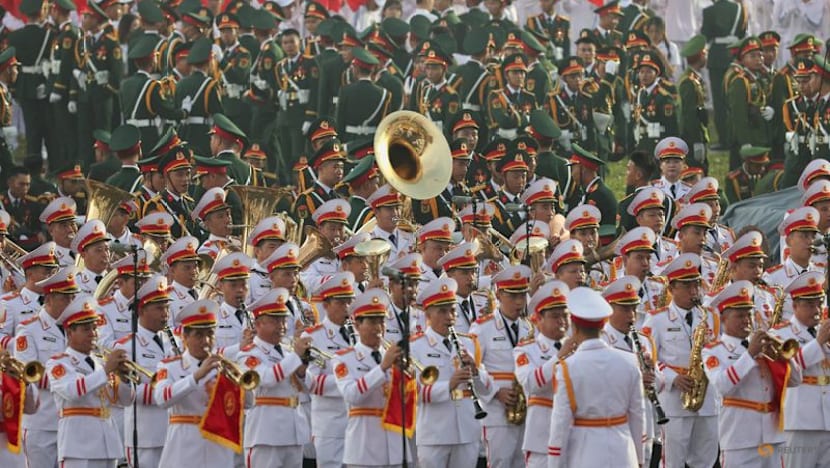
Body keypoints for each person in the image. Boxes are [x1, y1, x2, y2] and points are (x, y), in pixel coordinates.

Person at [702, 281, 801, 468]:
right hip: (739, 438)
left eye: (748, 314)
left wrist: (784, 358)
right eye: (740, 316)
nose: (746, 320)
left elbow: (796, 380)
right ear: (723, 319)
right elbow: (722, 386)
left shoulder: (764, 344)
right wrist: (749, 354)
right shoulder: (714, 351)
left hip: (772, 436)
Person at [547, 287, 645, 467]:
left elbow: (560, 425)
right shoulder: (630, 362)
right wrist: (639, 459)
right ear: (603, 325)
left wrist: (555, 464)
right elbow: (637, 416)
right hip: (623, 452)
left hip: (585, 454)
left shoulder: (567, 367)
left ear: (574, 327)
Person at [641, 253, 720, 468]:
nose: (693, 291)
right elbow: (647, 357)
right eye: (686, 286)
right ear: (672, 288)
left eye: (696, 285)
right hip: (675, 400)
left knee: (706, 459)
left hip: (707, 398)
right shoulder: (657, 319)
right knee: (673, 461)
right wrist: (672, 377)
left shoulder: (711, 316)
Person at [46, 294, 134, 468]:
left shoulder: (100, 363)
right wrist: (107, 370)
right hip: (79, 445)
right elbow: (72, 391)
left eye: (95, 328)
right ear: (70, 332)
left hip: (107, 442)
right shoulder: (59, 362)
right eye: (86, 329)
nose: (93, 334)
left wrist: (124, 378)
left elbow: (124, 401)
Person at [410, 277, 488, 468]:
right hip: (434, 433)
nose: (449, 316)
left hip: (467, 429)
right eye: (442, 311)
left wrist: (476, 372)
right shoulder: (415, 347)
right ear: (428, 313)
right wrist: (449, 385)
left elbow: (487, 389)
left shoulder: (468, 343)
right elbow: (413, 392)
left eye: (452, 310)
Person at [154, 299, 240, 467]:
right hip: (185, 446)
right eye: (199, 335)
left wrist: (234, 384)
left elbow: (249, 403)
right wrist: (196, 376)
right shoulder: (169, 366)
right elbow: (162, 399)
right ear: (185, 337)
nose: (206, 341)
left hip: (218, 447)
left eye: (210, 334)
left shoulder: (223, 365)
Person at [332, 288, 413, 466]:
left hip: (395, 445)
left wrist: (408, 379)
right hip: (364, 448)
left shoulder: (395, 356)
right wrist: (383, 367)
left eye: (382, 322)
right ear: (357, 325)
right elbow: (352, 395)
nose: (379, 328)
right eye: (372, 322)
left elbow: (407, 401)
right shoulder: (344, 358)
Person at [237, 287, 312, 467]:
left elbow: (309, 386)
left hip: (294, 431)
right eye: (274, 321)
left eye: (283, 320)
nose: (281, 326)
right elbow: (267, 378)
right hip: (266, 433)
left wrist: (302, 371)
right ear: (258, 324)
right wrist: (296, 357)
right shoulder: (248, 355)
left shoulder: (287, 351)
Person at [14, 266, 80, 468]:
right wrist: (70, 381)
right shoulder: (28, 329)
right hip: (42, 422)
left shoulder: (76, 328)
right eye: (64, 298)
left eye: (72, 297)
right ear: (49, 299)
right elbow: (28, 372)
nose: (70, 303)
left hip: (72, 421)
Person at [470, 265, 533, 468]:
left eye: (522, 296)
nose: (519, 302)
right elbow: (473, 368)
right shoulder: (482, 327)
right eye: (513, 296)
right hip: (496, 411)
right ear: (498, 294)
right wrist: (496, 392)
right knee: (499, 462)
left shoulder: (529, 328)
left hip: (525, 410)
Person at [768, 271, 830, 468]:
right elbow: (786, 369)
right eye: (810, 305)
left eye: (820, 303)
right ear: (794, 306)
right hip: (799, 419)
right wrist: (819, 342)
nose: (817, 309)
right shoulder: (780, 333)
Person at [601, 275, 664, 467]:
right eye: (625, 309)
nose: (632, 315)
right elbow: (601, 383)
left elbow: (660, 383)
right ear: (610, 309)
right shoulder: (601, 340)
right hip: (616, 425)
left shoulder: (644, 341)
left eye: (634, 308)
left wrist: (652, 375)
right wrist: (638, 378)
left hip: (645, 423)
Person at [300, 272, 355, 468]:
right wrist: (352, 383)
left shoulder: (358, 334)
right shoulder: (313, 336)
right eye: (340, 302)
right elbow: (311, 382)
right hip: (330, 425)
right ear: (325, 305)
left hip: (358, 424)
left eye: (349, 301)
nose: (346, 307)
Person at [513, 280, 569, 468]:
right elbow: (530, 383)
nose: (562, 321)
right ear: (539, 319)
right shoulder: (527, 350)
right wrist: (559, 357)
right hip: (542, 436)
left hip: (573, 434)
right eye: (555, 316)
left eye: (564, 315)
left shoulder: (578, 347)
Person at [0, 242, 59, 349]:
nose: (52, 277)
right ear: (30, 274)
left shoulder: (60, 302)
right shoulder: (7, 303)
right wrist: (23, 344)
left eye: (54, 272)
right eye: (47, 272)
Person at [678, 35, 709, 172]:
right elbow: (689, 114)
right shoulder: (689, 82)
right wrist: (696, 141)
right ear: (701, 56)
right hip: (691, 138)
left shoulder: (693, 78)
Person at [70, 219, 112, 295]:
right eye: (98, 250)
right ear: (83, 254)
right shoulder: (75, 284)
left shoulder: (117, 281)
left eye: (107, 249)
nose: (105, 254)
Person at [39, 196, 79, 267]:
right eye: (64, 225)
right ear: (51, 231)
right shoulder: (47, 259)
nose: (70, 229)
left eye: (72, 224)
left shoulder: (86, 251)